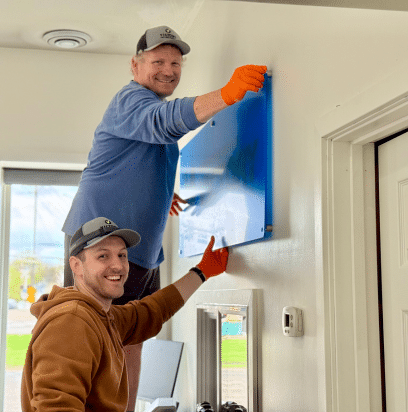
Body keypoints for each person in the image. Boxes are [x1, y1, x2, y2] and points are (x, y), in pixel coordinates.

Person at [61, 25, 267, 410]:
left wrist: (158, 192)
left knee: (135, 332)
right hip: (102, 244)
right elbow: (164, 121)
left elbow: (137, 154)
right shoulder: (131, 100)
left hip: (142, 249)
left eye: (176, 62)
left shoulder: (145, 106)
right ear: (135, 66)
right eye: (158, 61)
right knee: (88, 335)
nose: (168, 69)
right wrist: (226, 94)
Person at [21, 217, 229, 412]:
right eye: (103, 255)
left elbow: (151, 311)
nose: (118, 265)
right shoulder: (71, 322)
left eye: (122, 255)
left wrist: (202, 272)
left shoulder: (101, 316)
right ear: (77, 266)